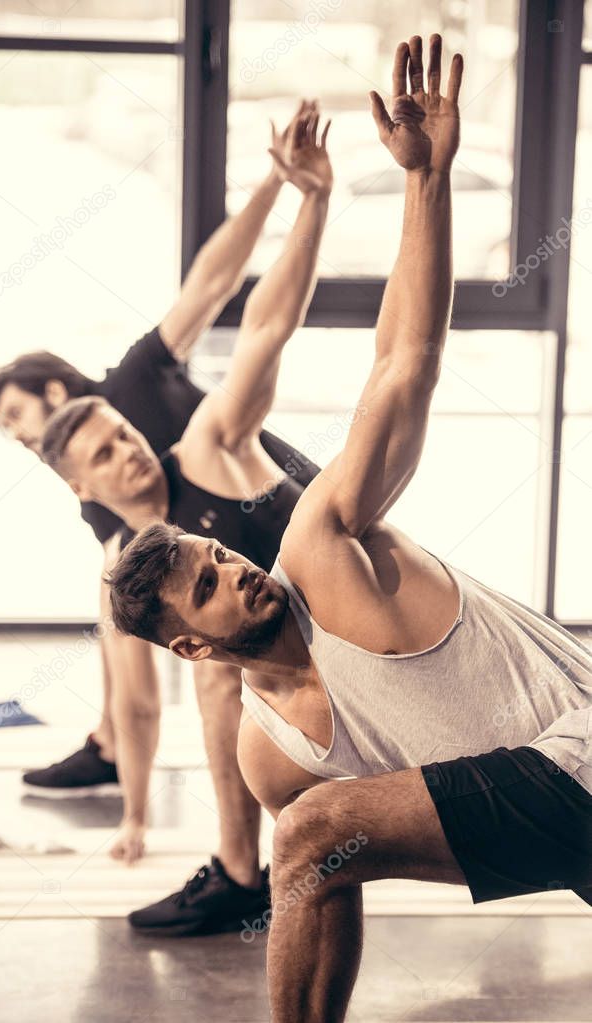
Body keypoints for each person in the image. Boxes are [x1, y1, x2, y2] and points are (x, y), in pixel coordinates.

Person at [107, 35, 592, 1021]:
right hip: (559, 815)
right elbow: (331, 875)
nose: (235, 571)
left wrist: (427, 180)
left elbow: (400, 362)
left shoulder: (322, 553)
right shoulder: (267, 751)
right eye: (208, 586)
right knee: (314, 840)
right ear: (194, 644)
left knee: (312, 829)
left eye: (219, 555)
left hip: (579, 756)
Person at [0, 103, 320, 875]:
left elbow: (216, 285)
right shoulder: (95, 504)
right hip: (241, 577)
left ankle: (240, 859)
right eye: (11, 434)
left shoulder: (138, 381)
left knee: (208, 671)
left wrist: (280, 182)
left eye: (17, 416)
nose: (20, 437)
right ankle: (198, 828)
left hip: (287, 516)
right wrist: (134, 808)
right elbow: (128, 629)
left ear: (58, 385)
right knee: (149, 631)